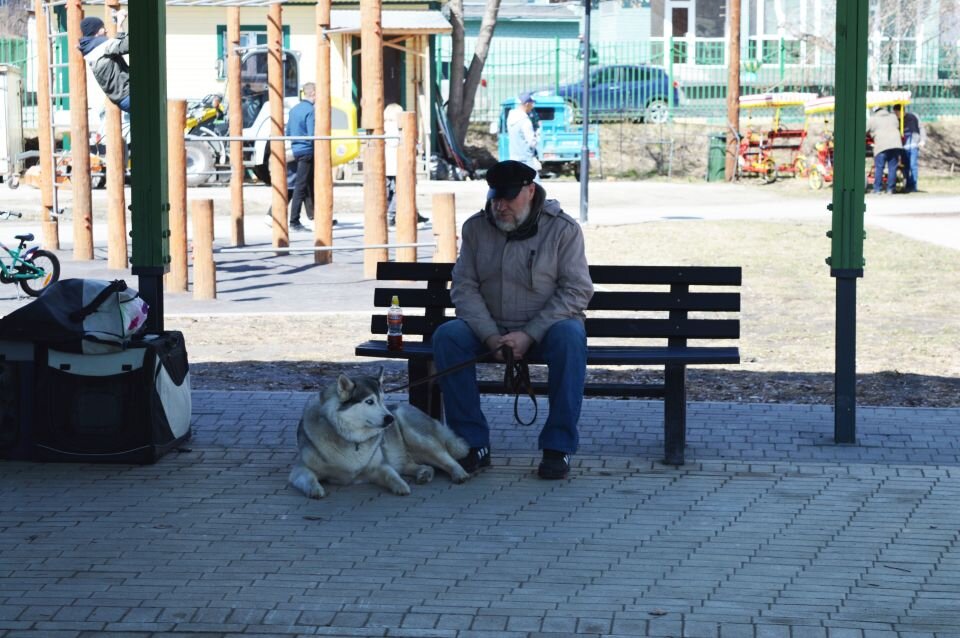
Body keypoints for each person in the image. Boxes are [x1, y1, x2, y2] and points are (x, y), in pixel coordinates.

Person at [431, 160, 594, 480]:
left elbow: (576, 291)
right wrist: (491, 336)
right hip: (489, 327)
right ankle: (470, 444)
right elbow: (464, 288)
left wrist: (529, 334)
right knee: (447, 336)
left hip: (546, 328)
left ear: (530, 191)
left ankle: (558, 447)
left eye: (508, 198)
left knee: (571, 336)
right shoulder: (476, 228)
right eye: (495, 198)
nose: (500, 206)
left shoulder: (563, 229)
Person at [384, 103, 429, 228]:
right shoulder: (400, 128)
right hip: (399, 165)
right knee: (401, 191)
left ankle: (413, 214)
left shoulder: (381, 127)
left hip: (385, 166)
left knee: (388, 191)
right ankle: (392, 216)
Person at [78, 10, 130, 112]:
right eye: (103, 28)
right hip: (129, 95)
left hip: (122, 99)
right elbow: (127, 45)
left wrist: (120, 24)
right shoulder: (102, 46)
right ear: (98, 31)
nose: (106, 31)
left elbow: (117, 44)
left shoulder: (92, 48)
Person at [287, 83, 316, 232]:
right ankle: (294, 221)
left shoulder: (294, 110)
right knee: (301, 186)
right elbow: (312, 134)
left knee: (307, 183)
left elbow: (288, 132)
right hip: (307, 151)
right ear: (314, 93)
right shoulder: (310, 110)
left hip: (296, 150)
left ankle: (314, 216)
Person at [866, 106, 904, 195]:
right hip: (895, 144)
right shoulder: (893, 117)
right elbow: (897, 125)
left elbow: (865, 130)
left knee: (879, 167)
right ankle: (890, 189)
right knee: (892, 168)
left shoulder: (873, 119)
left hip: (881, 146)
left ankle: (877, 189)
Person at [506, 92, 541, 175]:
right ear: (527, 104)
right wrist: (538, 134)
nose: (532, 106)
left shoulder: (511, 118)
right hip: (526, 160)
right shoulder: (525, 121)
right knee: (534, 185)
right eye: (532, 104)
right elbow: (532, 143)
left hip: (514, 158)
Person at [894, 103, 922, 192]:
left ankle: (913, 185)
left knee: (913, 165)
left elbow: (920, 128)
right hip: (903, 147)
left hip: (913, 145)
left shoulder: (912, 117)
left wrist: (921, 140)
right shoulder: (896, 120)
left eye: (897, 112)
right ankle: (906, 185)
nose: (896, 114)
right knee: (905, 167)